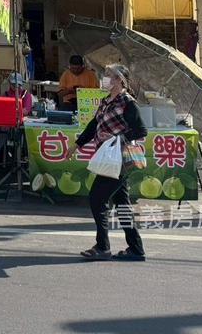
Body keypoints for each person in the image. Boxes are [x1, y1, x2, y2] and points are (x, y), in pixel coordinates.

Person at [71, 63, 148, 262]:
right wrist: (77, 145)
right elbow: (93, 125)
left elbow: (140, 130)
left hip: (119, 159)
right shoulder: (106, 101)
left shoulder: (127, 102)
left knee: (97, 199)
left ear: (119, 80)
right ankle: (136, 249)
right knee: (122, 204)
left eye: (108, 76)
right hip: (108, 159)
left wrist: (118, 138)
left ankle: (102, 247)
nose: (104, 79)